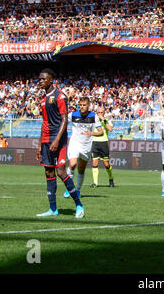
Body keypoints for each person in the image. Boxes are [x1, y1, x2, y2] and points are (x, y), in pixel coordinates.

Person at [35, 68, 84, 218]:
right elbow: (44, 123)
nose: (40, 81)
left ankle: (79, 205)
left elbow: (64, 120)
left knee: (61, 171)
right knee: (48, 172)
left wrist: (56, 140)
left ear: (51, 80)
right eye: (40, 79)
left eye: (43, 79)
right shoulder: (43, 99)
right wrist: (39, 145)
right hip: (46, 140)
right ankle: (53, 209)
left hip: (58, 140)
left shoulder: (60, 96)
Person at [63, 97, 103, 198]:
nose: (81, 107)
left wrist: (92, 133)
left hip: (86, 146)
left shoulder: (94, 116)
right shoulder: (72, 115)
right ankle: (69, 189)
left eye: (84, 105)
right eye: (80, 105)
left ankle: (77, 190)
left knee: (81, 169)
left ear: (89, 106)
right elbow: (63, 122)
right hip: (75, 143)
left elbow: (101, 132)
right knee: (72, 164)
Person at [90, 105, 115, 188]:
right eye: (99, 112)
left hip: (104, 143)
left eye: (101, 112)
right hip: (95, 143)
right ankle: (95, 183)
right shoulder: (93, 121)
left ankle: (111, 179)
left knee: (106, 164)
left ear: (104, 113)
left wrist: (104, 120)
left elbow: (110, 129)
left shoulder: (107, 121)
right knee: (94, 162)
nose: (100, 114)